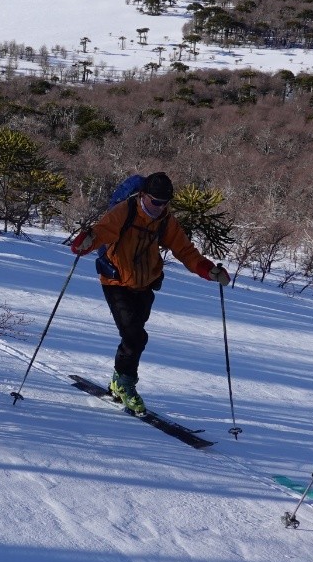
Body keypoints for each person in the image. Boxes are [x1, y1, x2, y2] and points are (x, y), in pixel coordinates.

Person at [69, 172, 229, 415]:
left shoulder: (165, 220)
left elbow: (185, 251)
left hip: (145, 285)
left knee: (132, 338)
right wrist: (85, 242)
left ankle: (117, 380)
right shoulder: (125, 211)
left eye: (165, 203)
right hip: (116, 282)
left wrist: (208, 271)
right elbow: (101, 232)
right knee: (135, 337)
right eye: (155, 201)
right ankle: (126, 385)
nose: (160, 207)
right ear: (143, 196)